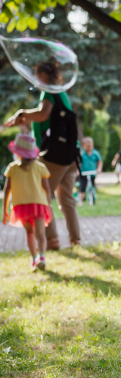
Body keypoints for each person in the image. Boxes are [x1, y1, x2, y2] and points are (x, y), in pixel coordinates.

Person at [4, 61, 81, 249]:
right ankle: (76, 240)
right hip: (70, 154)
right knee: (66, 199)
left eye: (36, 74)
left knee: (41, 194)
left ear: (44, 75)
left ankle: (52, 240)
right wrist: (23, 118)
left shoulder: (48, 92)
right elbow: (46, 118)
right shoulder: (61, 93)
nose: (34, 78)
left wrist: (22, 112)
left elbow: (43, 114)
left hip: (55, 156)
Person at [2, 134, 53, 270]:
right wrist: (48, 205)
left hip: (21, 206)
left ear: (18, 153)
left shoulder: (12, 167)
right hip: (39, 204)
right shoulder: (40, 167)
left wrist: (4, 210)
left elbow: (6, 190)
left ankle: (34, 259)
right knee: (40, 234)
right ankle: (42, 257)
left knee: (30, 233)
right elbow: (47, 189)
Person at [79, 137, 103, 206]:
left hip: (92, 173)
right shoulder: (82, 153)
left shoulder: (95, 153)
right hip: (83, 173)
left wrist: (99, 168)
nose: (89, 148)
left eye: (90, 146)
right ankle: (80, 200)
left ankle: (92, 198)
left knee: (92, 185)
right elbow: (78, 162)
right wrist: (78, 170)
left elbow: (100, 161)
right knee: (82, 187)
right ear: (83, 146)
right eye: (87, 146)